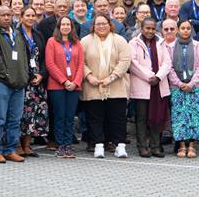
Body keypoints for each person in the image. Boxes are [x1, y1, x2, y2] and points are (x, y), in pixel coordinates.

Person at [80, 15, 131, 158]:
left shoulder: (119, 40)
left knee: (118, 118)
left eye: (104, 23)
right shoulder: (85, 41)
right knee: (95, 118)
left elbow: (125, 60)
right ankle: (98, 145)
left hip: (116, 85)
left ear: (110, 25)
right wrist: (89, 76)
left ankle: (120, 146)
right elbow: (80, 62)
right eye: (98, 24)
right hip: (93, 86)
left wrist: (112, 77)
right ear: (93, 26)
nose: (101, 26)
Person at [0, 6, 30, 164]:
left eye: (9, 15)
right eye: (3, 15)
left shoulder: (17, 33)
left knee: (15, 119)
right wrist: (8, 77)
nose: (6, 18)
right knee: (0, 118)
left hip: (19, 83)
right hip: (1, 83)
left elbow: (23, 57)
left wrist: (24, 76)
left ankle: (10, 150)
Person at [129, 17, 172, 158]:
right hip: (142, 84)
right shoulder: (134, 43)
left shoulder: (161, 42)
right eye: (147, 28)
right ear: (141, 29)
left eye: (153, 28)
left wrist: (158, 77)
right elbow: (133, 64)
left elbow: (167, 63)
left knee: (157, 117)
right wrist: (150, 77)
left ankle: (155, 146)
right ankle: (142, 146)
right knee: (141, 118)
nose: (150, 31)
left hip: (158, 85)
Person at [45, 16, 85, 158]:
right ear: (59, 27)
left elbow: (81, 65)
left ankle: (68, 145)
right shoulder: (52, 41)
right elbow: (50, 64)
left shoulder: (77, 43)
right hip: (57, 86)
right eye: (63, 24)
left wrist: (75, 82)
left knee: (70, 117)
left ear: (72, 27)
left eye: (68, 24)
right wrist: (64, 81)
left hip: (74, 86)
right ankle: (60, 145)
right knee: (59, 116)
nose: (66, 27)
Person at [166, 20, 199, 158]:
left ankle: (192, 146)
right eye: (183, 28)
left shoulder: (197, 45)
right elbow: (169, 67)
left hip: (195, 87)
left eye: (188, 28)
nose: (186, 30)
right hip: (177, 88)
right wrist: (179, 83)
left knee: (194, 116)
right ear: (178, 30)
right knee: (179, 117)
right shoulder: (170, 47)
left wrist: (191, 84)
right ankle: (181, 146)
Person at [18, 6, 48, 157]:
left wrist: (41, 74)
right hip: (22, 79)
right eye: (27, 15)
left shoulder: (38, 34)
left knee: (33, 113)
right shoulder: (16, 33)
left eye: (33, 15)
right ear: (21, 17)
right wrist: (30, 76)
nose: (30, 18)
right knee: (21, 113)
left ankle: (28, 145)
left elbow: (44, 57)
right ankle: (17, 145)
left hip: (38, 81)